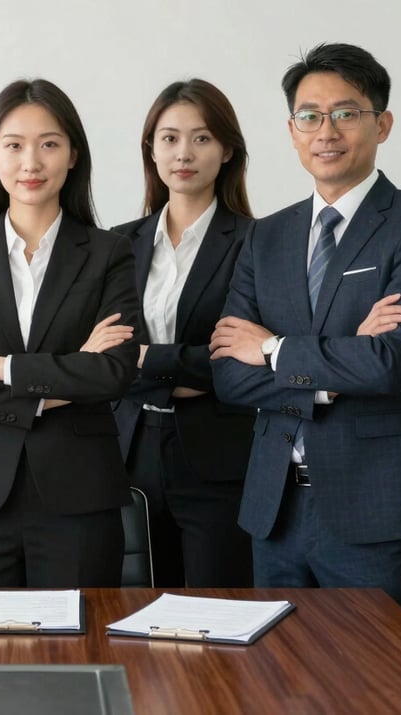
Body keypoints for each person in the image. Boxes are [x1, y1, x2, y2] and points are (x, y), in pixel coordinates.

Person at [0, 78, 140, 588]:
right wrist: (60, 382)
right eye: (13, 145)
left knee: (76, 653)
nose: (31, 162)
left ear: (73, 155)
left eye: (49, 144)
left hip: (79, 493)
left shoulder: (110, 253)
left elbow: (113, 373)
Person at [210, 43, 401, 608]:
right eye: (310, 116)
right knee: (274, 685)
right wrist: (337, 367)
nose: (328, 131)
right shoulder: (266, 236)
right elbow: (228, 374)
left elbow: (391, 362)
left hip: (374, 511)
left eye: (347, 113)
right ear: (292, 130)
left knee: (373, 688)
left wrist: (272, 349)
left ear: (382, 124)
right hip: (274, 512)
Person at [112, 79, 255, 588]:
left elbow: (240, 363)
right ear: (151, 149)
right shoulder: (117, 245)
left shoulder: (254, 242)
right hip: (126, 456)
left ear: (227, 149)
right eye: (169, 138)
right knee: (130, 616)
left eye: (201, 138)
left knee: (214, 619)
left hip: (217, 461)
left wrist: (145, 359)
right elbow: (101, 360)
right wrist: (181, 365)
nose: (184, 153)